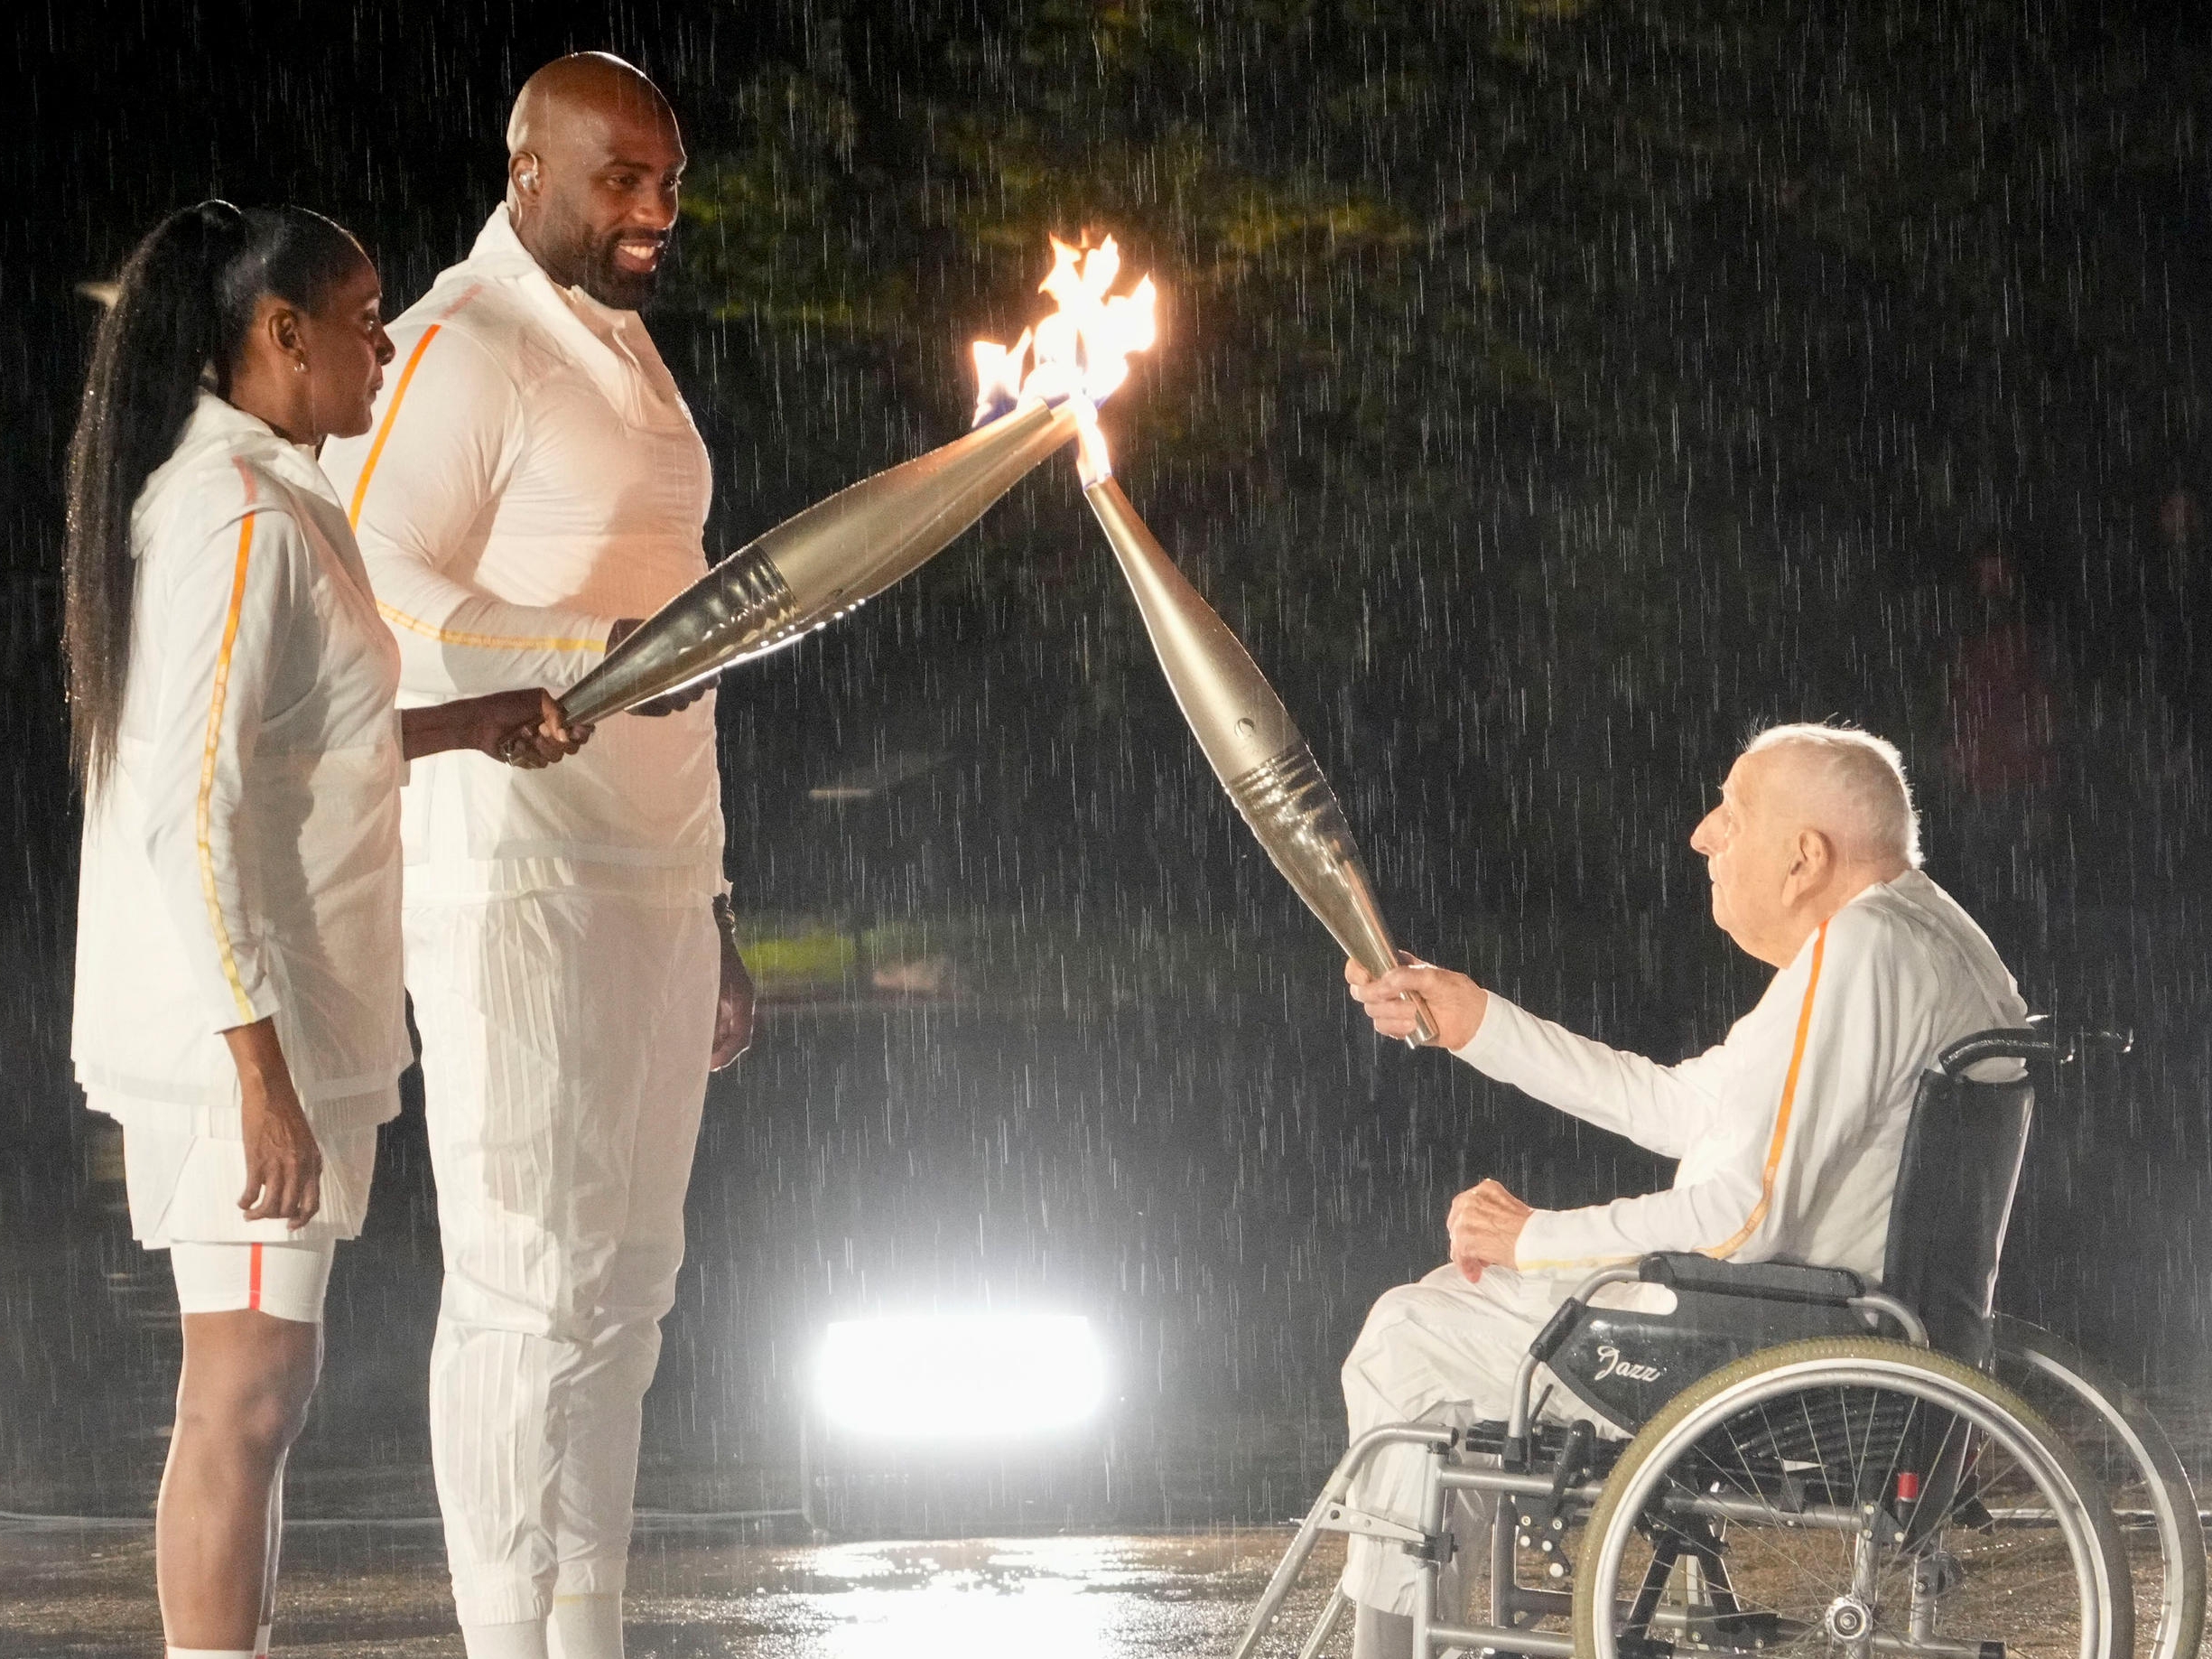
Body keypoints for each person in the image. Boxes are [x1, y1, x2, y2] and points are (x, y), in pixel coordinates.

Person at [64, 201, 589, 1659]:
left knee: (261, 1391)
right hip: (240, 1028)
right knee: (244, 1393)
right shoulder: (233, 516)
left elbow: (303, 743)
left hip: (279, 1014)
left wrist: (466, 722)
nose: (387, 346)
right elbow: (192, 806)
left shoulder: (271, 497)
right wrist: (259, 1068)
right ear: (278, 333)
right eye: (363, 320)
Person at [317, 53, 754, 1659]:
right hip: (513, 875)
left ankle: (588, 1632)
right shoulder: (459, 345)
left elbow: (687, 631)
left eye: (669, 183)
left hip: (650, 876)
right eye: (621, 180)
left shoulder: (628, 357)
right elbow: (373, 585)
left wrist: (716, 903)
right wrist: (597, 649)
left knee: (628, 1291)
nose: (654, 212)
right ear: (528, 177)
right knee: (526, 1283)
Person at [1339, 722, 2025, 1658]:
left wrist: (1532, 1236)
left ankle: (1396, 1644)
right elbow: (1677, 1104)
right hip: (1839, 1327)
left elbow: (1737, 1214)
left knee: (1406, 1332)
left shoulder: (1862, 950)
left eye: (1731, 813)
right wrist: (1472, 1022)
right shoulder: (1920, 930)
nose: (1703, 834)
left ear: (1802, 856)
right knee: (1445, 1309)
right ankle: (1435, 1628)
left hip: (1772, 1346)